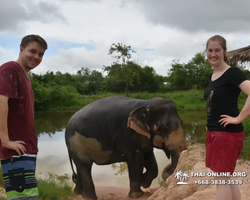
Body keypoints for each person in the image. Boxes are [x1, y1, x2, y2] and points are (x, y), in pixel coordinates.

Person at [0, 34, 47, 199]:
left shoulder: (25, 76)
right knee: (25, 197)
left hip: (25, 149)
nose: (36, 57)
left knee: (25, 196)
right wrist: (5, 140)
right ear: (21, 49)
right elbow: (0, 101)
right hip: (15, 150)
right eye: (32, 51)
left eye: (40, 54)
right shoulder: (10, 69)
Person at [204, 35, 250, 200]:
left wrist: (238, 118)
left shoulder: (232, 73)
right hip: (215, 133)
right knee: (226, 176)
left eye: (217, 50)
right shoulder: (213, 76)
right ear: (206, 52)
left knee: (222, 178)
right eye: (210, 50)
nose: (213, 54)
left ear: (224, 52)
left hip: (227, 134)